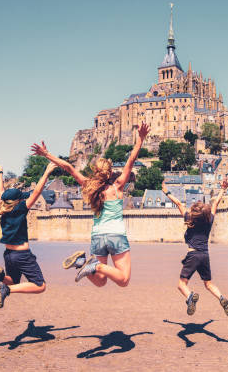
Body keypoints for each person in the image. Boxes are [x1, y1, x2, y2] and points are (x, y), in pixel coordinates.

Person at [30, 122, 150, 287]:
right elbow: (131, 160)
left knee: (100, 282)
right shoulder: (117, 187)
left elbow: (69, 168)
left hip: (98, 237)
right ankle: (96, 265)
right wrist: (141, 139)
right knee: (123, 280)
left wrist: (46, 154)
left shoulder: (89, 186)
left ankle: (82, 263)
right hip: (116, 236)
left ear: (95, 171)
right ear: (109, 173)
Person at [0, 161, 57, 308]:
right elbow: (37, 191)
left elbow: (1, 192)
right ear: (18, 201)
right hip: (22, 256)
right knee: (40, 286)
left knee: (12, 279)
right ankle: (5, 288)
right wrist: (46, 172)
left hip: (8, 254)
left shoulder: (4, 208)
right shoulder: (21, 208)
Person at [162, 179, 228, 317]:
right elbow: (215, 203)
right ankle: (221, 298)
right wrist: (223, 190)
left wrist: (166, 191)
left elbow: (178, 203)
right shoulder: (209, 220)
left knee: (181, 285)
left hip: (193, 255)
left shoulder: (189, 218)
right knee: (208, 284)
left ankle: (190, 297)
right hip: (205, 256)